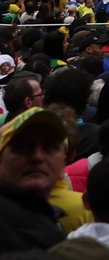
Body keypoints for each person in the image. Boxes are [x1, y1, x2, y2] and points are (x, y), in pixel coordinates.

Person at [0, 106, 72, 251]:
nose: (37, 156)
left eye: (50, 147)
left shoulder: (48, 221)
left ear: (63, 165)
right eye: (22, 147)